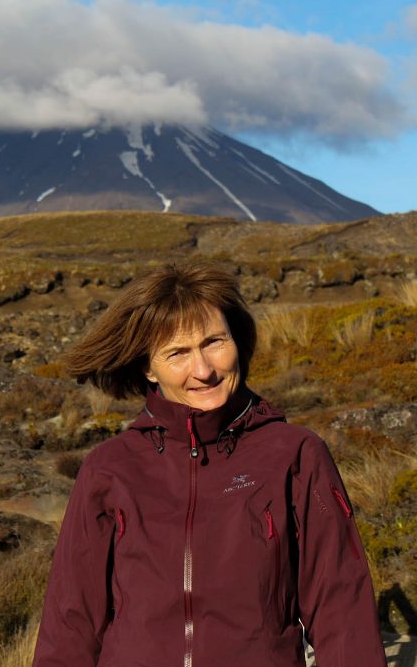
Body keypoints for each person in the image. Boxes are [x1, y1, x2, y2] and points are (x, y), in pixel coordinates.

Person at [32, 260, 385, 666]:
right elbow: (70, 620)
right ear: (148, 367)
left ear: (237, 340)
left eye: (214, 342)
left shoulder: (296, 455)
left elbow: (342, 604)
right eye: (178, 353)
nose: (203, 370)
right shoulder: (108, 469)